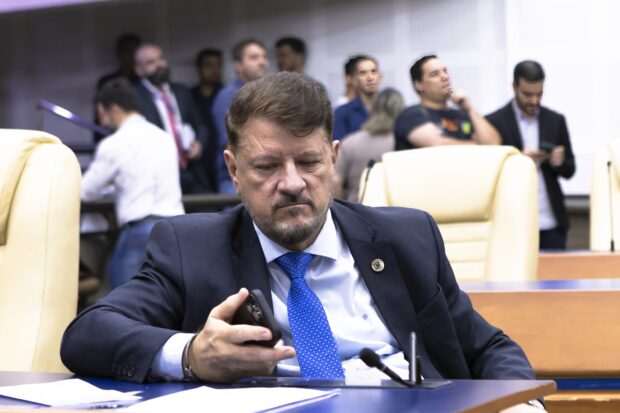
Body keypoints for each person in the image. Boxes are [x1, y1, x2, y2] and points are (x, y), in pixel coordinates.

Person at [61, 72, 536, 394]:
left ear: (333, 158)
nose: (291, 183)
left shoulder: (406, 237)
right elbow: (88, 334)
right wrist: (190, 355)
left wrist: (524, 405)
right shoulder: (192, 248)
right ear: (234, 170)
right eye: (267, 166)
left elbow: (488, 348)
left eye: (308, 162)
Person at [81, 79, 184, 288]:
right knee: (170, 298)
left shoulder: (114, 143)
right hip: (176, 229)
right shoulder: (164, 137)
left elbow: (85, 191)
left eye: (102, 114)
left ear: (115, 109)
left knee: (125, 298)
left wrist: (109, 191)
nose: (102, 123)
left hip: (140, 230)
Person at [486, 61, 576, 250]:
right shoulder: (493, 122)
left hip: (551, 222)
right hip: (512, 222)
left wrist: (558, 163)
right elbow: (487, 174)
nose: (534, 100)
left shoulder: (555, 120)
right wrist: (517, 160)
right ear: (514, 87)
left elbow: (570, 169)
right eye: (527, 94)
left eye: (539, 94)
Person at [133, 43, 212, 194]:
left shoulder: (181, 91)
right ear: (139, 70)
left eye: (161, 58)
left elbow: (201, 125)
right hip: (157, 177)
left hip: (191, 170)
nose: (159, 65)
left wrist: (199, 144)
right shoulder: (134, 97)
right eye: (151, 62)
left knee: (210, 205)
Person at [394, 55, 500, 150]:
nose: (445, 77)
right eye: (435, 74)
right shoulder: (411, 115)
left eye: (445, 71)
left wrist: (470, 108)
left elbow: (494, 145)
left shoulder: (461, 115)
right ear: (419, 85)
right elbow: (438, 145)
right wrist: (479, 146)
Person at [212, 38, 269, 194]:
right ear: (238, 65)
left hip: (266, 170)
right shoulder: (228, 97)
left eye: (264, 56)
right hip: (235, 176)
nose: (262, 62)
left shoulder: (270, 94)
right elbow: (230, 141)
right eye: (254, 57)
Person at [335, 88, 405, 202]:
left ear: (373, 109)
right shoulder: (402, 143)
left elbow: (336, 181)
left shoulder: (350, 142)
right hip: (396, 208)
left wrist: (341, 209)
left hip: (356, 207)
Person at [94, 33, 142, 142]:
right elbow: (99, 116)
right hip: (113, 135)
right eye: (126, 51)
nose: (129, 56)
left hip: (141, 135)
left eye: (133, 52)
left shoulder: (143, 82)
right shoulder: (106, 82)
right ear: (119, 53)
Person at [190, 48, 224, 191]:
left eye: (218, 66)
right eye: (209, 65)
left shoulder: (225, 94)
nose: (214, 71)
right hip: (198, 162)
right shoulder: (190, 96)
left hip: (221, 157)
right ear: (199, 69)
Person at [333, 55, 382, 140]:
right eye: (363, 73)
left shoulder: (391, 109)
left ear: (380, 76)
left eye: (374, 71)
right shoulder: (342, 113)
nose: (370, 78)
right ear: (353, 80)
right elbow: (339, 145)